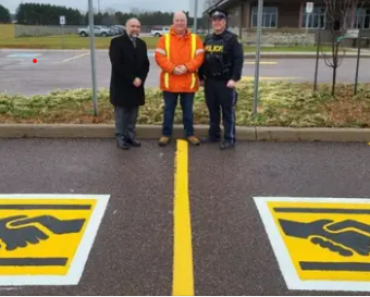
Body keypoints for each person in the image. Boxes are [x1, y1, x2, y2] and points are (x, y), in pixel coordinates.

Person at [154, 11, 205, 147]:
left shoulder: (196, 39)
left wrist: (186, 67)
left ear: (186, 22)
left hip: (188, 83)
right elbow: (160, 58)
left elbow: (199, 58)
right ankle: (166, 134)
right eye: (177, 20)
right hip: (170, 82)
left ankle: (190, 134)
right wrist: (173, 68)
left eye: (182, 20)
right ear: (173, 22)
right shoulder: (164, 39)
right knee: (168, 110)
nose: (180, 23)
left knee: (188, 111)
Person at [199, 8, 244, 150]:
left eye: (220, 20)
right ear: (212, 22)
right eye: (214, 20)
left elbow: (238, 60)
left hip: (226, 82)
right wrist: (201, 77)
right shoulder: (208, 39)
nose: (217, 22)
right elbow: (203, 60)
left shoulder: (232, 39)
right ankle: (214, 135)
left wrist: (234, 79)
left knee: (227, 111)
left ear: (225, 22)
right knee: (213, 110)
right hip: (210, 81)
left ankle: (230, 139)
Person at [109, 18, 150, 150]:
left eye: (138, 26)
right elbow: (117, 64)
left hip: (137, 86)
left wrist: (140, 79)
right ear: (126, 27)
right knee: (121, 113)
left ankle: (130, 136)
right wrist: (132, 79)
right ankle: (120, 137)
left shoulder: (142, 44)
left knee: (133, 112)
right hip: (121, 85)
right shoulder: (116, 42)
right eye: (132, 26)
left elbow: (146, 64)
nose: (135, 29)